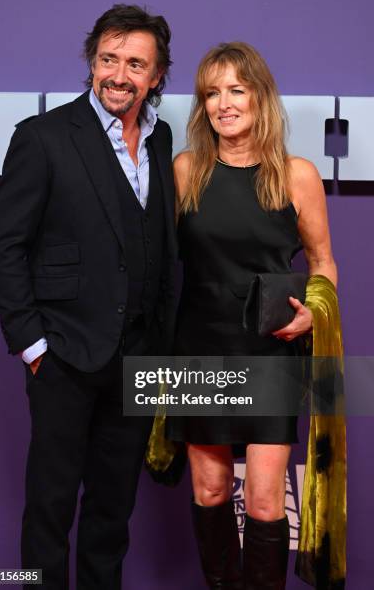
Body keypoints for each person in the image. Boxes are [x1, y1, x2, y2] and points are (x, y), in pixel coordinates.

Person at [0, 4, 176, 590]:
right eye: (108, 59)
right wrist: (34, 345)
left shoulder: (162, 138)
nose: (118, 74)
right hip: (64, 354)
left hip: (139, 357)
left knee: (112, 514)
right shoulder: (42, 138)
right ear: (92, 62)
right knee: (50, 509)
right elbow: (5, 247)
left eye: (135, 63)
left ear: (157, 76)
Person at [166, 42, 337, 589]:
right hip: (197, 348)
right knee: (210, 492)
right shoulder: (186, 170)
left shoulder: (296, 174)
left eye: (236, 90)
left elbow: (324, 264)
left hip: (269, 351)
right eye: (212, 93)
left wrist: (314, 313)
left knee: (264, 499)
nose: (224, 103)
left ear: (260, 98)